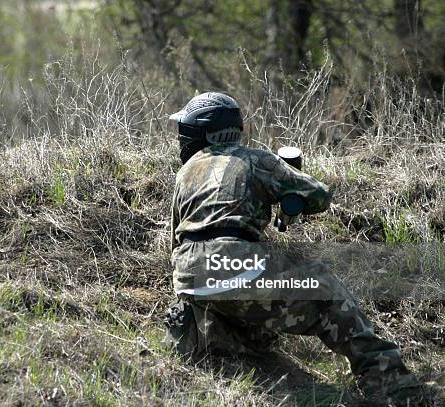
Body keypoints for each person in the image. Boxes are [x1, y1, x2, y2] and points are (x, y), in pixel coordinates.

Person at [163, 92, 429, 406]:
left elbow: (175, 241)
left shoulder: (185, 172)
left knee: (247, 310)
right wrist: (291, 184)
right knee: (323, 288)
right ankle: (391, 382)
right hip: (235, 264)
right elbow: (318, 194)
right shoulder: (255, 159)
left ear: (200, 131)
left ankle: (217, 338)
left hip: (188, 274)